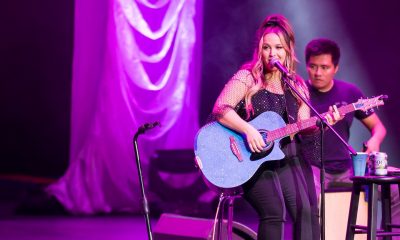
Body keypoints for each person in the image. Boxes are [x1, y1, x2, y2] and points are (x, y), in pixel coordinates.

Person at [210, 15, 341, 240]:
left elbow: (303, 126)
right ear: (259, 50)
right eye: (267, 47)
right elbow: (221, 108)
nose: (273, 54)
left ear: (288, 49)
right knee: (273, 212)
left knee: (308, 210)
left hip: (286, 155)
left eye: (279, 47)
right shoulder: (248, 77)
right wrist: (248, 130)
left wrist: (324, 124)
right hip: (252, 158)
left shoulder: (297, 85)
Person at [304, 38, 399, 229]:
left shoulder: (349, 93)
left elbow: (379, 128)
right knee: (307, 202)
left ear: (336, 68)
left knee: (395, 190)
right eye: (313, 66)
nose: (318, 73)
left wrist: (374, 141)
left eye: (324, 67)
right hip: (313, 169)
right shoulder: (300, 93)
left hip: (347, 169)